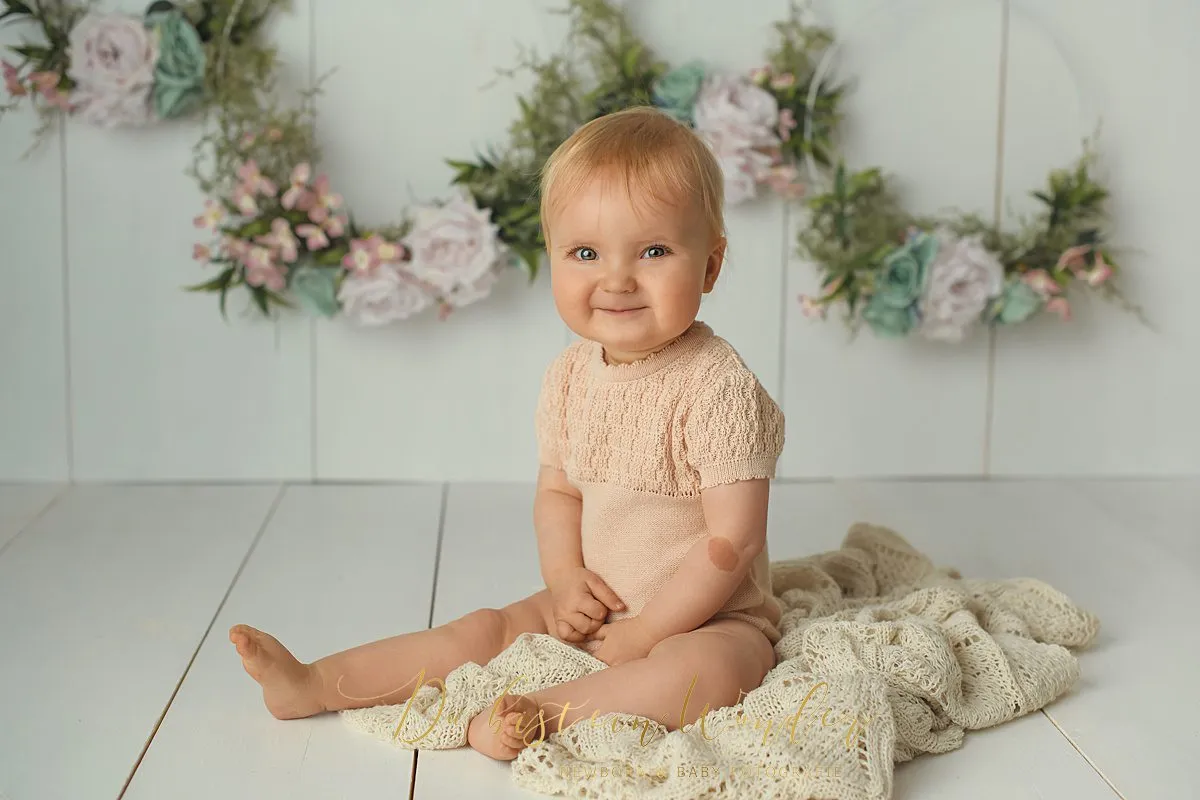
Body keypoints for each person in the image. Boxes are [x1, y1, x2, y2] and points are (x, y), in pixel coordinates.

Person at [229, 105, 786, 761]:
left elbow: (733, 539)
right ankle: (315, 683)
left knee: (709, 674)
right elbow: (558, 495)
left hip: (712, 617)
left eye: (654, 251)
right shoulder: (571, 377)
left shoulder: (717, 387)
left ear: (711, 267)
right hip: (596, 604)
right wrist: (567, 578)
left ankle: (540, 716)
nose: (616, 279)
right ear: (552, 258)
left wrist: (649, 634)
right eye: (585, 253)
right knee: (482, 630)